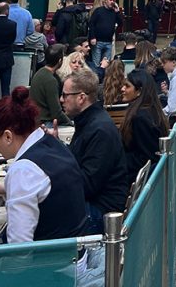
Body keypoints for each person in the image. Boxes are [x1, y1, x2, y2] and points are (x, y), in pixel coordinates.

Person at [0, 86, 87, 247]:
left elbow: (19, 247)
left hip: (52, 264)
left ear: (8, 136)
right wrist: (3, 189)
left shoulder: (23, 170)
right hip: (76, 251)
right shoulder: (51, 142)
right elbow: (47, 192)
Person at [62, 68, 130, 233]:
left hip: (101, 211)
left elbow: (87, 185)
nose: (61, 99)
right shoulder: (89, 122)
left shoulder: (99, 130)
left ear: (81, 98)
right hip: (98, 204)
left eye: (65, 95)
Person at [121, 69, 169, 183]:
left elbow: (146, 157)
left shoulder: (140, 117)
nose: (122, 89)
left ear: (139, 91)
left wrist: (117, 160)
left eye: (127, 86)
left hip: (135, 178)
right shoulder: (149, 111)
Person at [29, 44, 72, 126]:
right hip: (45, 122)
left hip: (36, 119)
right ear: (60, 61)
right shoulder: (51, 80)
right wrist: (71, 124)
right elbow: (56, 112)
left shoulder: (40, 72)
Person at [88, 0, 123, 66]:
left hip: (108, 42)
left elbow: (121, 23)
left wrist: (117, 12)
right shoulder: (98, 11)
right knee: (96, 63)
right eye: (110, 0)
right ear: (106, 1)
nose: (112, 2)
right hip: (98, 41)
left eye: (114, 0)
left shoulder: (114, 12)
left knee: (107, 64)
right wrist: (92, 37)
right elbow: (91, 24)